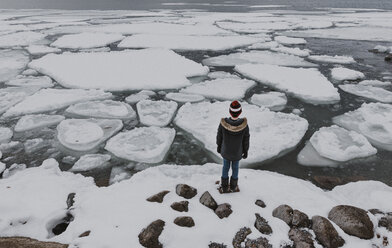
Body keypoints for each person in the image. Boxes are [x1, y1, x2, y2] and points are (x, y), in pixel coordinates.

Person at [216, 100, 250, 193]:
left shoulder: (223, 124)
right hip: (237, 153)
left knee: (225, 168)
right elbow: (246, 140)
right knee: (235, 168)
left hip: (226, 151)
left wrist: (219, 147)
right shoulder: (244, 125)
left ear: (230, 111)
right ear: (240, 112)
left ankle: (224, 187)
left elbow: (219, 137)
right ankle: (233, 187)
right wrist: (245, 151)